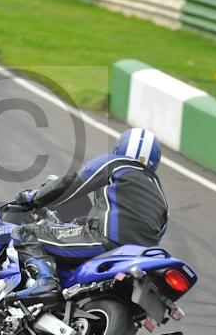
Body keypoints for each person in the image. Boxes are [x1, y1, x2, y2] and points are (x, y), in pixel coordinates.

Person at [9, 128, 168, 303]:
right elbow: (154, 231)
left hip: (106, 242)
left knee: (24, 233)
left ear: (119, 148)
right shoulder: (161, 197)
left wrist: (34, 198)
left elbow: (72, 185)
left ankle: (44, 281)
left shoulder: (116, 164)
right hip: (138, 258)